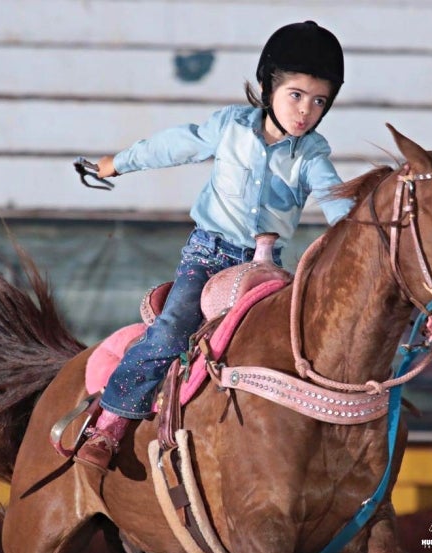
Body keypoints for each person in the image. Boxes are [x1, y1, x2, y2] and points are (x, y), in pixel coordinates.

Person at [75, 20, 354, 472]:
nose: (305, 111)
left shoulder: (313, 155)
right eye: (296, 95)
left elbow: (333, 196)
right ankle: (108, 424)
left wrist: (358, 228)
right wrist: (116, 164)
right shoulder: (229, 127)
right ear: (268, 86)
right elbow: (173, 146)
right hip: (208, 255)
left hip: (267, 269)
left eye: (319, 100)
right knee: (171, 330)